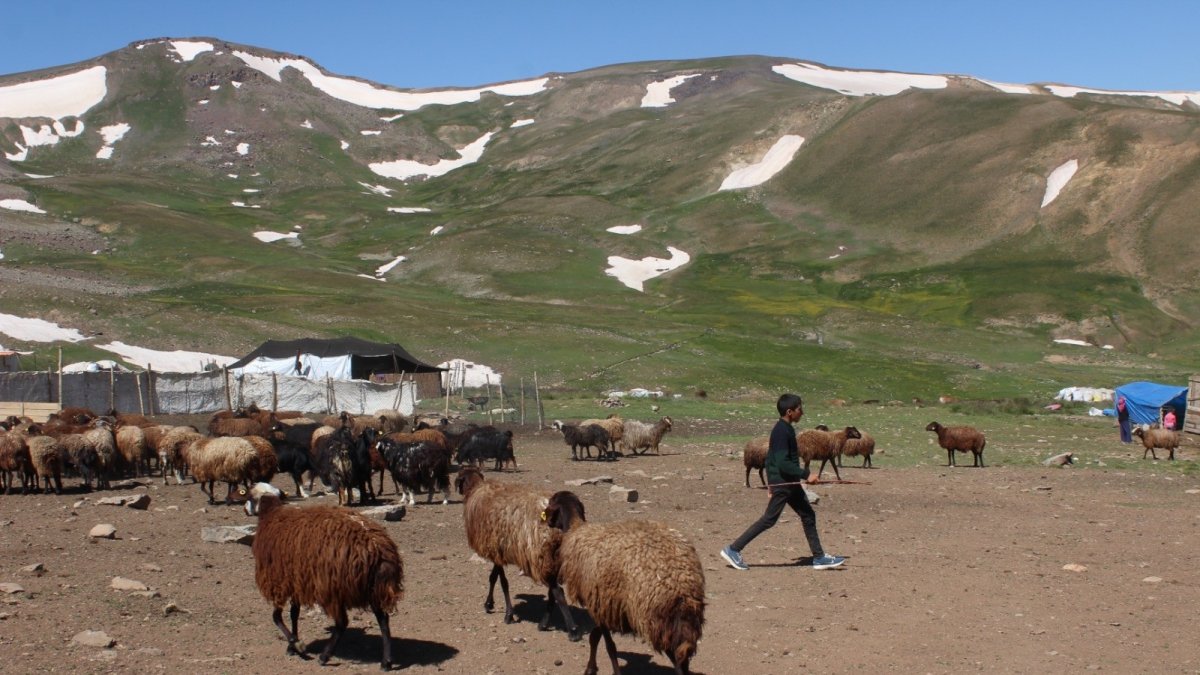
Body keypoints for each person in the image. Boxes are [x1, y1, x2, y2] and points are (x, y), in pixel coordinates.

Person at [720, 393, 844, 571]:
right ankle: (733, 549)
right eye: (800, 409)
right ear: (789, 411)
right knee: (769, 519)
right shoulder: (781, 431)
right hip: (784, 484)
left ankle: (819, 558)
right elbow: (782, 462)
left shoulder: (785, 429)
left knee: (808, 515)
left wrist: (773, 483)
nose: (802, 412)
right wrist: (805, 475)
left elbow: (771, 458)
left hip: (788, 483)